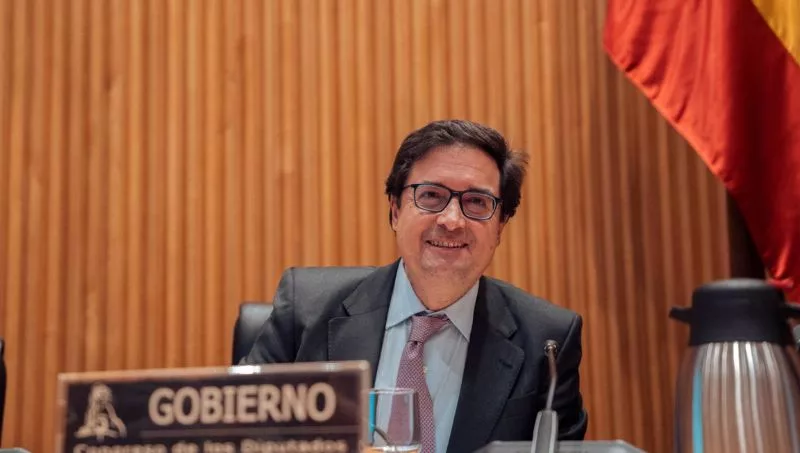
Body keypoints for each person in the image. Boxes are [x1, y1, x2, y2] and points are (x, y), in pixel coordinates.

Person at [243, 119, 588, 452]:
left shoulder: (547, 343)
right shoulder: (306, 310)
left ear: (500, 226)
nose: (452, 220)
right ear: (395, 210)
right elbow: (240, 434)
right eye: (431, 196)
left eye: (476, 202)